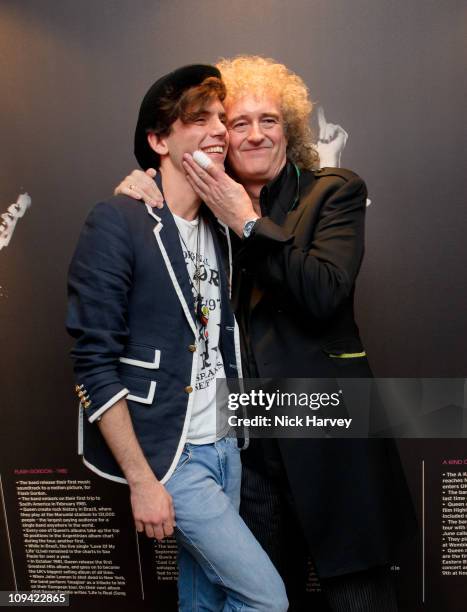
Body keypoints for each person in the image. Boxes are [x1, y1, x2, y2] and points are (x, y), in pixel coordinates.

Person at [115, 56, 416, 611]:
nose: (254, 134)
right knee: (262, 598)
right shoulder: (202, 214)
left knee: (360, 599)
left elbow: (324, 293)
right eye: (238, 123)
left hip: (332, 447)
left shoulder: (333, 192)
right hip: (249, 456)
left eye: (269, 120)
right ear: (219, 136)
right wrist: (145, 181)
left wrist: (248, 223)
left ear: (290, 130)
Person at [66, 64, 288, 612]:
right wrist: (142, 480)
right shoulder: (118, 220)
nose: (219, 130)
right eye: (199, 119)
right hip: (172, 454)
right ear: (159, 140)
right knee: (267, 599)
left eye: (221, 118)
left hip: (226, 445)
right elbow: (94, 362)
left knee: (207, 598)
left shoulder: (224, 229)